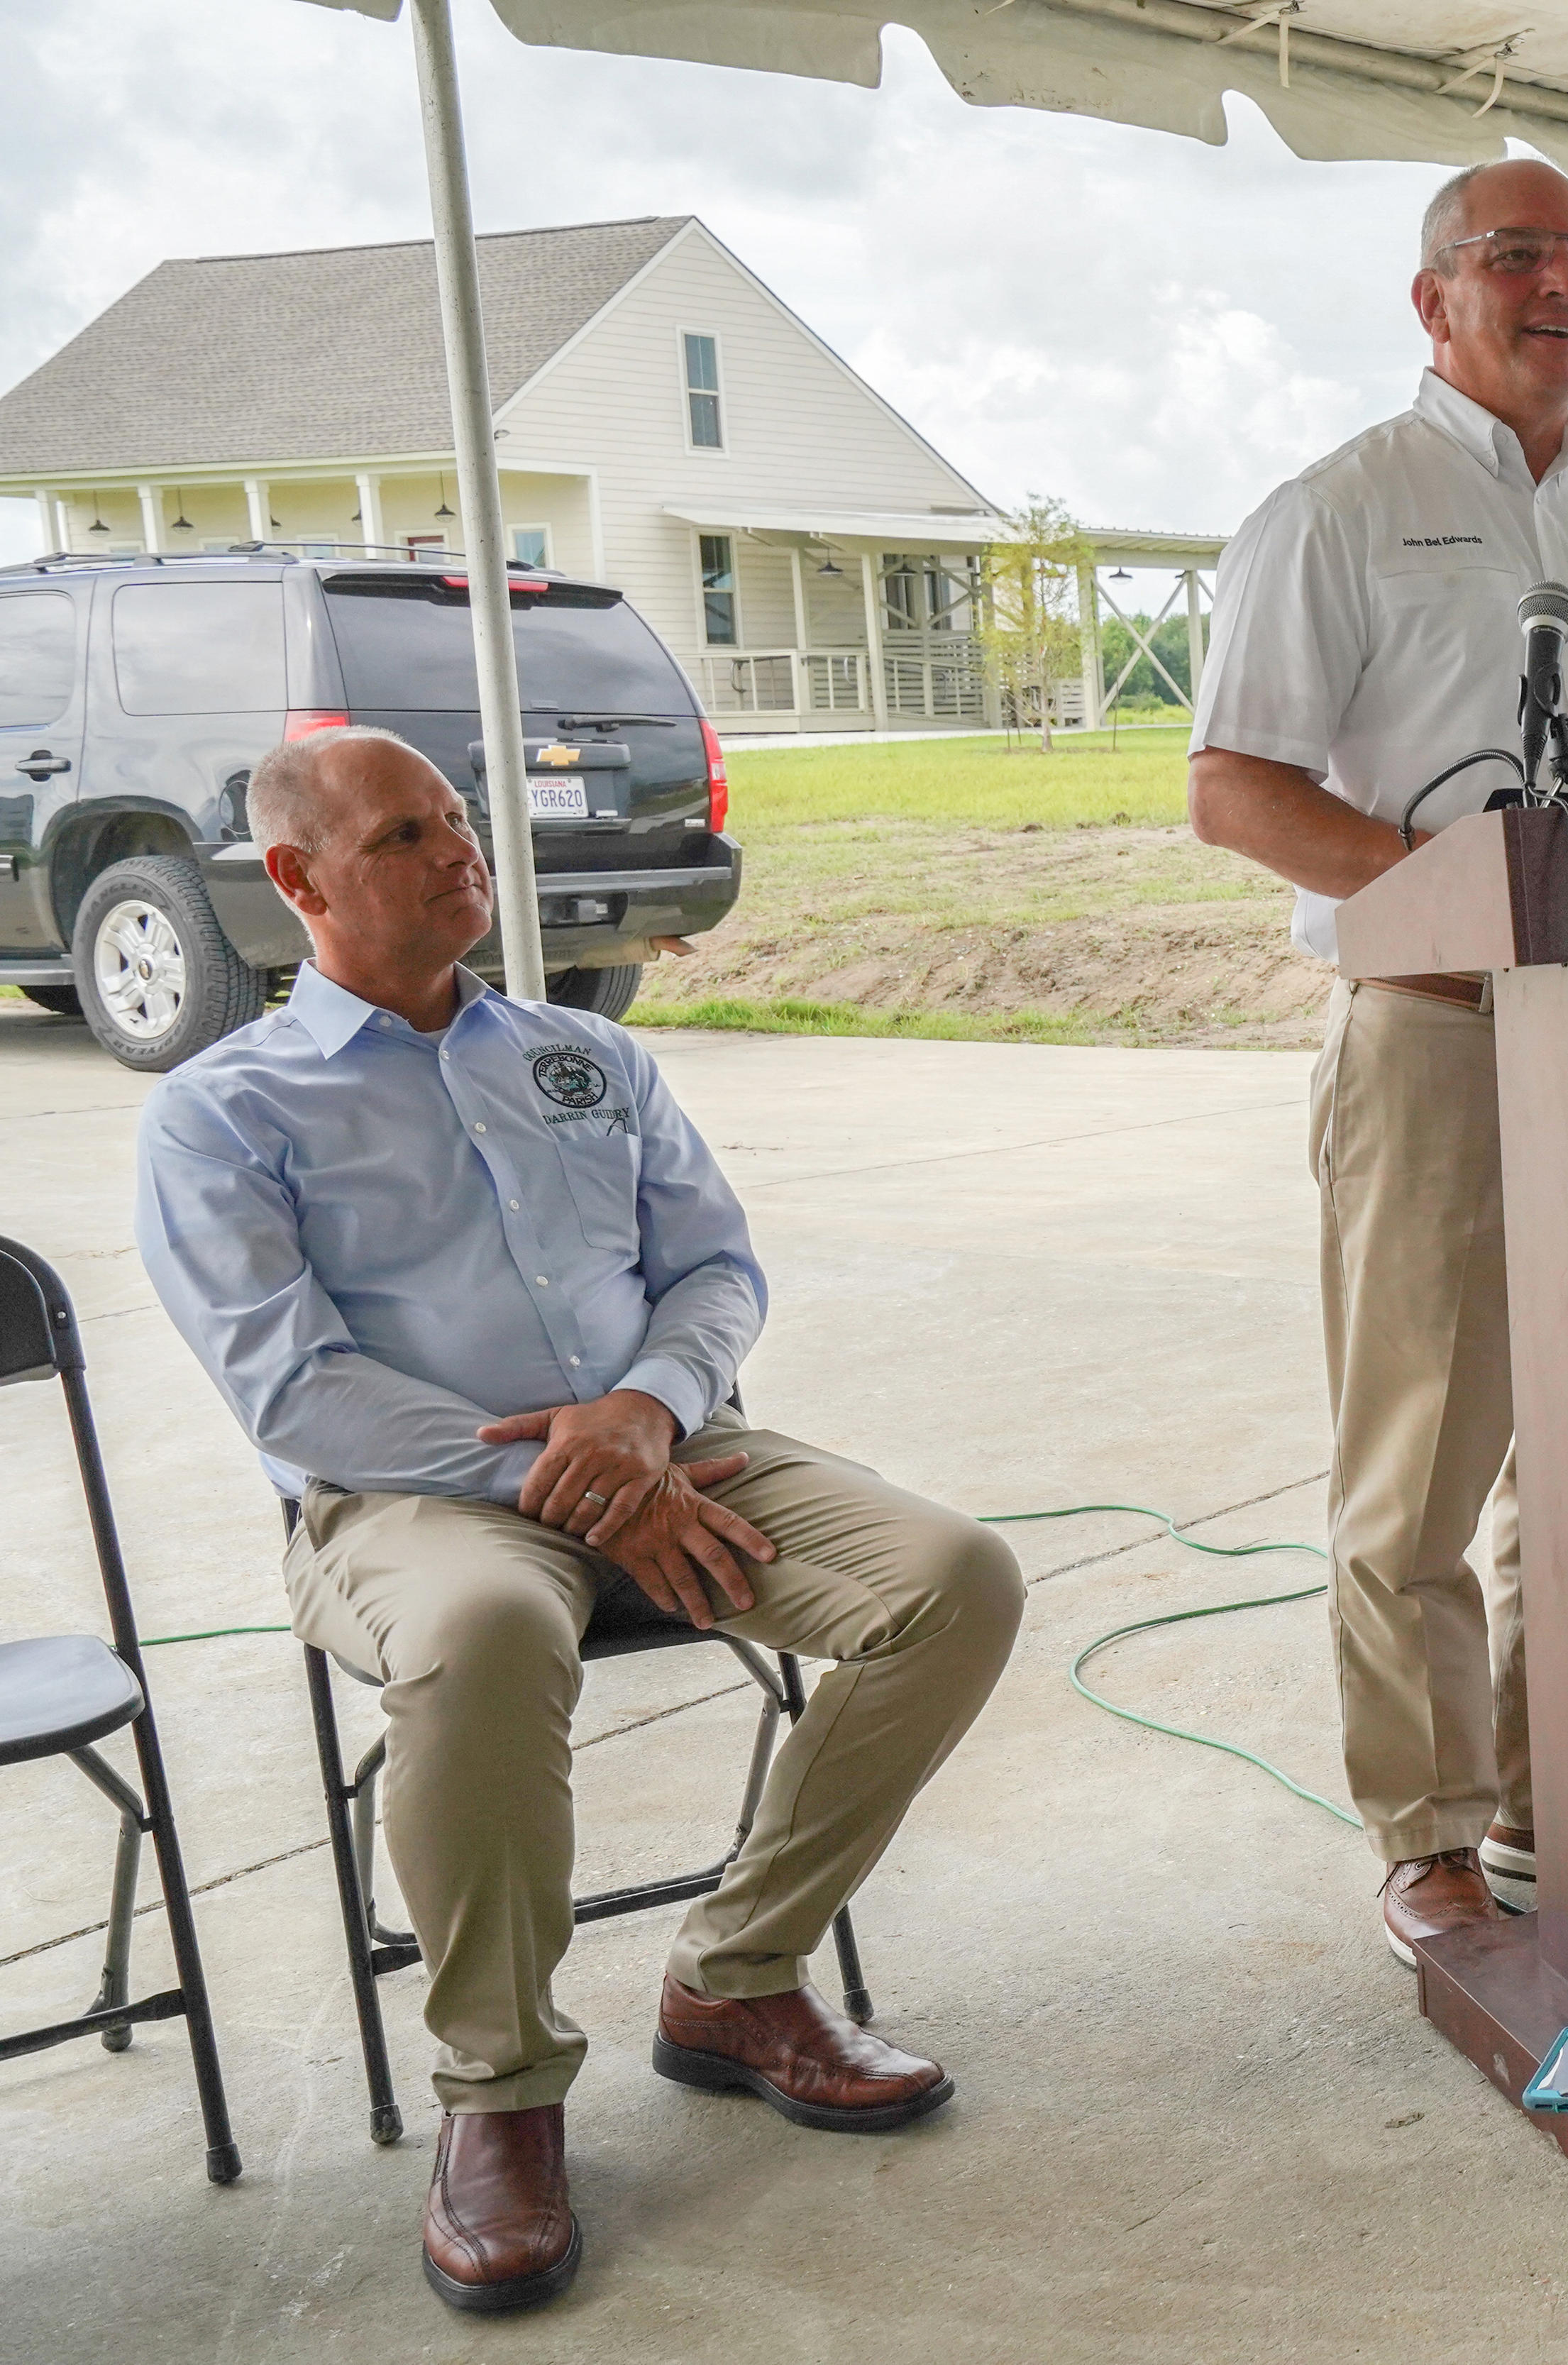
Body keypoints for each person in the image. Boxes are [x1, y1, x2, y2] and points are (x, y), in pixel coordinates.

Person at [136, 729, 1022, 2316]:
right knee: (482, 1630)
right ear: (297, 880)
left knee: (955, 1577)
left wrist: (647, 1416)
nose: (459, 849)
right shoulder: (223, 1110)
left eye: (460, 819)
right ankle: (499, 2090)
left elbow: (715, 1270)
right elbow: (294, 1386)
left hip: (676, 1448)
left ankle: (736, 1979)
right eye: (407, 833)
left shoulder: (582, 1052)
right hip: (410, 1500)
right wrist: (580, 1477)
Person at [1186, 160, 1568, 1965]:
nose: (1560, 289)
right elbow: (1235, 787)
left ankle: (1554, 1790)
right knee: (1423, 1464)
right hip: (1438, 1032)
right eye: (1514, 258)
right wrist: (1457, 896)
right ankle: (1426, 1836)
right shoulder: (1338, 511)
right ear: (1431, 298)